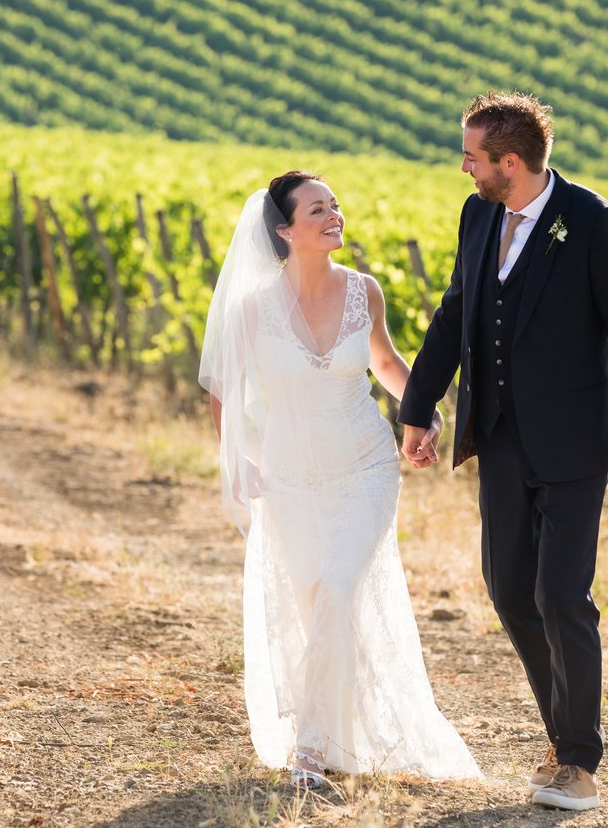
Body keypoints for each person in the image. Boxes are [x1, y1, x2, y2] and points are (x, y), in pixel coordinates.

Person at [398, 92, 608, 812]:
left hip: (577, 443)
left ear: (508, 163)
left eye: (471, 156)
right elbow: (457, 312)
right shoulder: (478, 213)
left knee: (560, 595)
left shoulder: (593, 223)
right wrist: (418, 407)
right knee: (510, 591)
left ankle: (579, 758)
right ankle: (561, 733)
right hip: (503, 436)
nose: (464, 166)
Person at [199, 171, 482, 789]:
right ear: (284, 230)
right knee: (314, 606)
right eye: (317, 210)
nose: (334, 216)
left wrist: (425, 410)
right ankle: (346, 733)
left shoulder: (364, 292)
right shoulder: (252, 309)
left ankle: (310, 752)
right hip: (291, 478)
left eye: (335, 206)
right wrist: (239, 455)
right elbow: (224, 387)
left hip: (365, 468)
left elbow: (383, 362)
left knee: (336, 589)